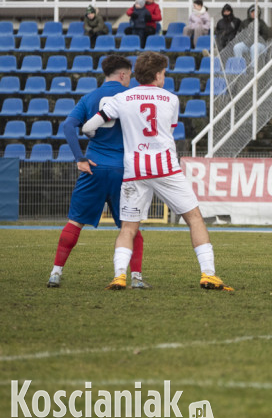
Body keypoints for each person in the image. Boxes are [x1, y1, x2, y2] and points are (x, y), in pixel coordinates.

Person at [82, 51, 233, 291]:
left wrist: (93, 136)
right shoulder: (171, 99)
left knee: (128, 228)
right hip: (165, 167)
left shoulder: (122, 98)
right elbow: (167, 130)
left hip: (135, 169)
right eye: (163, 73)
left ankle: (119, 276)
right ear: (158, 75)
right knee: (194, 218)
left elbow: (89, 126)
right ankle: (208, 275)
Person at [46, 55, 148, 289]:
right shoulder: (130, 98)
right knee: (130, 227)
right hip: (123, 170)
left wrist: (80, 159)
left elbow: (68, 126)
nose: (130, 79)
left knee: (74, 223)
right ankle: (136, 278)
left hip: (94, 167)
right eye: (130, 75)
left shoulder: (89, 98)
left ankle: (56, 273)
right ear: (123, 74)